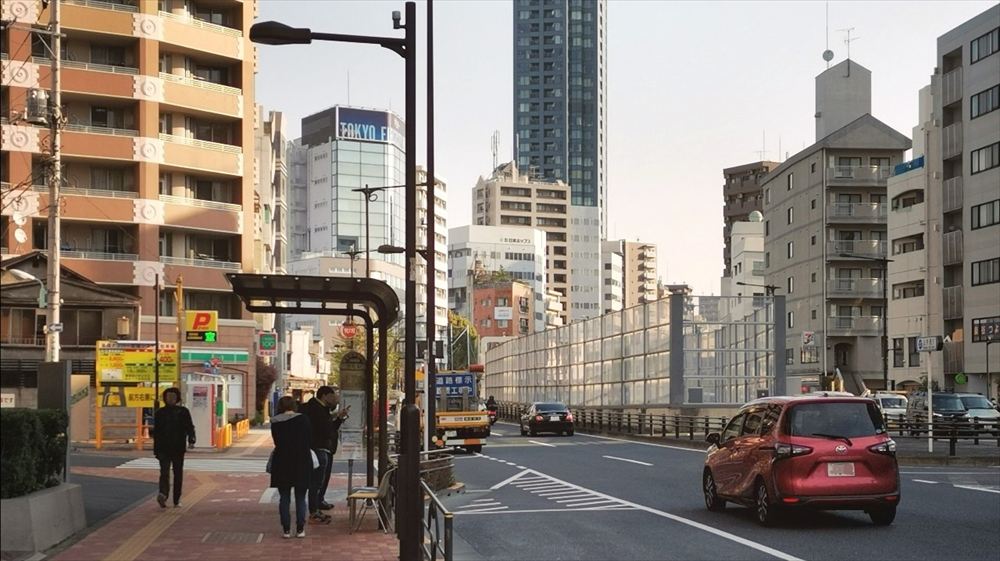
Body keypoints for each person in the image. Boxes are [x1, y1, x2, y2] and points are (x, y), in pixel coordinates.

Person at [302, 386, 349, 523]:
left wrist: (339, 418)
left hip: (324, 449)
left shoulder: (321, 409)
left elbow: (329, 428)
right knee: (316, 482)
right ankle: (314, 510)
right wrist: (337, 420)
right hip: (319, 449)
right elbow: (327, 430)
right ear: (324, 396)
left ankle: (318, 504)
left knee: (320, 480)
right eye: (333, 396)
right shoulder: (317, 410)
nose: (335, 399)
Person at [270, 396, 312, 538]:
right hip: (301, 461)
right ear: (294, 405)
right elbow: (308, 439)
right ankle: (300, 529)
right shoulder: (304, 420)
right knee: (301, 497)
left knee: (284, 497)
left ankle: (286, 530)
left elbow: (277, 441)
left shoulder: (275, 422)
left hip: (282, 461)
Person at [152, 387, 195, 508]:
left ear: (177, 398)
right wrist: (156, 450)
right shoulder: (160, 413)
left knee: (178, 473)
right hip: (163, 448)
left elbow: (189, 427)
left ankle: (176, 499)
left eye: (173, 397)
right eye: (168, 396)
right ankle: (163, 494)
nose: (170, 399)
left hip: (178, 447)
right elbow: (156, 433)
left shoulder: (183, 412)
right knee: (164, 472)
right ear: (165, 398)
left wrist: (191, 439)